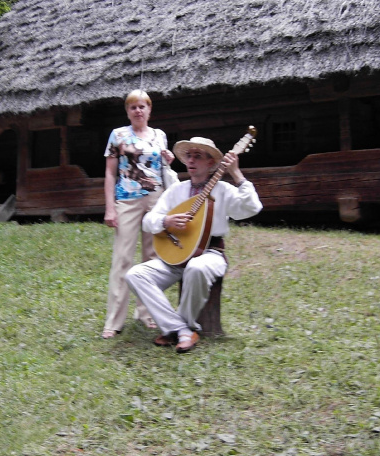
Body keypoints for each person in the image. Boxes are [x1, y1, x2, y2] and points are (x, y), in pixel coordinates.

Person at [125, 136, 263, 352]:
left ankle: (180, 329)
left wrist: (236, 173)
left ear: (211, 163)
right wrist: (166, 221)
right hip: (176, 254)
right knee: (135, 274)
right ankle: (182, 329)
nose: (191, 160)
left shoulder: (223, 190)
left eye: (197, 156)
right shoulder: (176, 191)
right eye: (189, 156)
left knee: (196, 267)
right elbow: (147, 221)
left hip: (210, 253)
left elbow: (252, 208)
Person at [102, 90, 176, 339]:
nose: (138, 111)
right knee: (122, 258)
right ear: (127, 111)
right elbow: (111, 173)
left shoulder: (160, 135)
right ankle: (114, 320)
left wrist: (169, 158)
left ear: (149, 109)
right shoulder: (118, 135)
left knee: (152, 257)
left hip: (156, 200)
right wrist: (110, 207)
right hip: (127, 200)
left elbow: (163, 168)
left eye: (142, 106)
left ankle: (146, 313)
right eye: (133, 107)